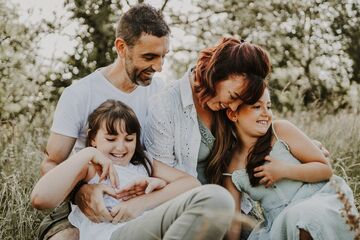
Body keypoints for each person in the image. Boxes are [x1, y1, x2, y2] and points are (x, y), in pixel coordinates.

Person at [37, 4, 171, 240]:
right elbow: (51, 164)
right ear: (121, 47)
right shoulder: (80, 93)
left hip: (136, 201)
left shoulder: (161, 93)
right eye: (149, 57)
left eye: (163, 56)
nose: (158, 67)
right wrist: (81, 192)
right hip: (76, 202)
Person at [32, 99, 235, 240]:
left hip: (146, 227)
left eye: (129, 139)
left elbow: (191, 183)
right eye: (111, 139)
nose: (121, 147)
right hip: (113, 235)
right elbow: (41, 198)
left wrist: (146, 198)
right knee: (215, 198)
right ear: (93, 138)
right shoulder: (89, 167)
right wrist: (86, 154)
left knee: (214, 200)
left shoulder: (143, 163)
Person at [222, 86, 359, 239]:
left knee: (304, 217)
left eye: (268, 106)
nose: (266, 113)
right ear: (233, 114)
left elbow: (325, 169)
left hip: (317, 199)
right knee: (295, 220)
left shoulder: (280, 131)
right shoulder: (232, 169)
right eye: (256, 107)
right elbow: (234, 223)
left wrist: (284, 171)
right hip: (279, 221)